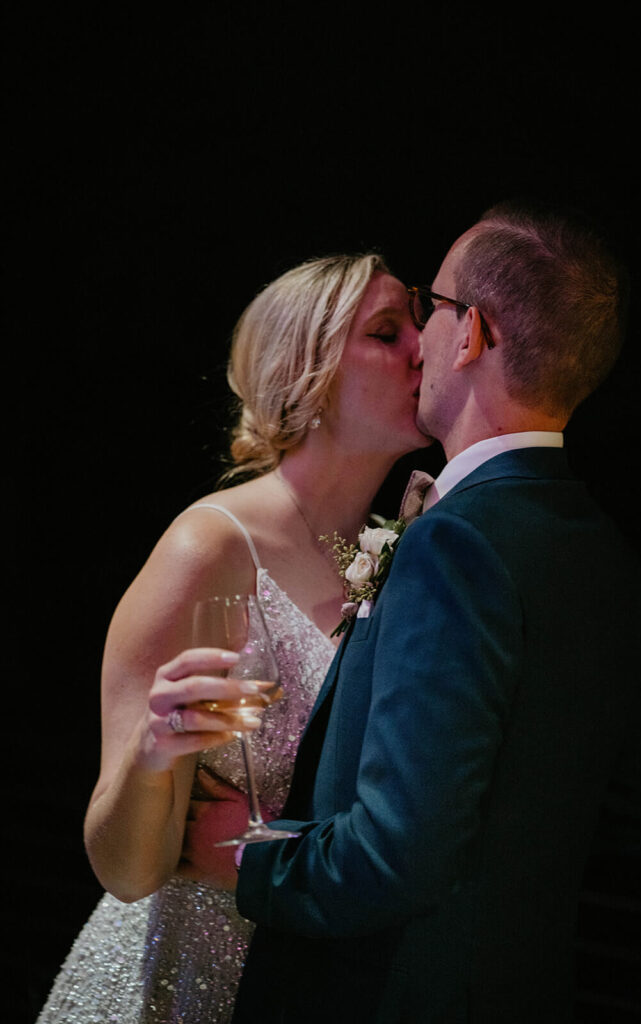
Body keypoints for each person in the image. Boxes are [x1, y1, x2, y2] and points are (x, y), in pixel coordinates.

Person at [219, 201, 641, 1023]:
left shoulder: (455, 545)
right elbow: (638, 806)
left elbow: (396, 855)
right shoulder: (603, 551)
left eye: (428, 310)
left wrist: (235, 858)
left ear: (469, 334)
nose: (418, 345)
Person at [35, 251, 429, 1023]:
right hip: (177, 976)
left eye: (417, 324)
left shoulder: (388, 553)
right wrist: (154, 754)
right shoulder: (208, 548)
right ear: (303, 373)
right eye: (387, 332)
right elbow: (125, 869)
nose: (422, 347)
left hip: (305, 974)